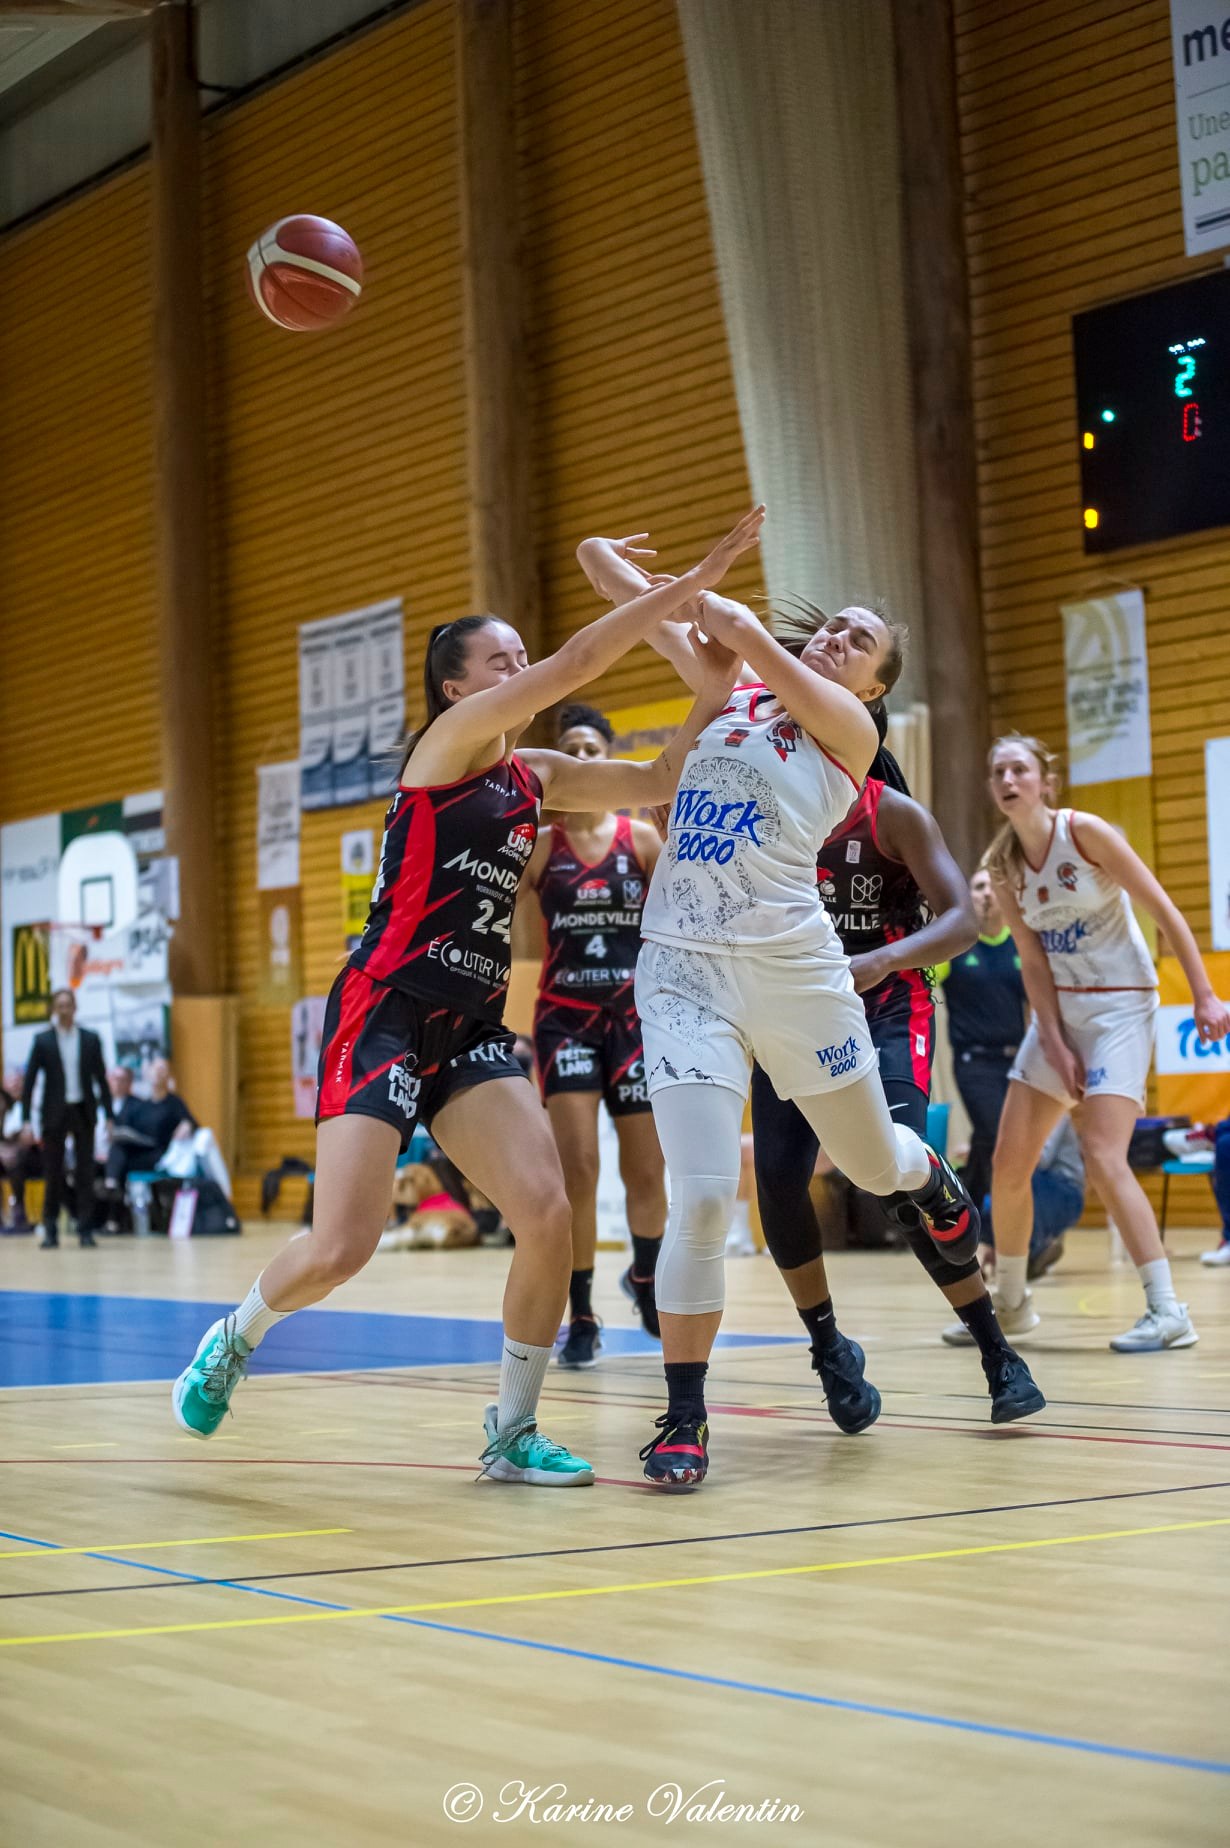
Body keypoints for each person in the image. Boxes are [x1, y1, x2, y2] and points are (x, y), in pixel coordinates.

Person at [170, 505, 765, 1487]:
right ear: (457, 686)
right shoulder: (446, 747)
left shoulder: (537, 776)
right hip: (387, 1005)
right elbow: (575, 666)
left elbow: (662, 773)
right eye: (501, 661)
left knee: (546, 1210)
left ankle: (511, 1431)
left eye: (517, 657)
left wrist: (708, 692)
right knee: (342, 1248)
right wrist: (691, 584)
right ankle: (235, 1336)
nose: (518, 670)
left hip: (472, 1026)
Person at [572, 562, 983, 1488]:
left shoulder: (849, 728)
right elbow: (612, 579)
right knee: (708, 1194)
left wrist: (713, 597)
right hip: (681, 971)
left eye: (857, 641)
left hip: (794, 971)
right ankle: (683, 1414)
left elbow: (745, 633)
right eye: (832, 625)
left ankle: (928, 1172)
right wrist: (641, 571)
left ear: (874, 688)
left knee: (880, 1169)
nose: (835, 638)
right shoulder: (736, 689)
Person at [750, 742, 1043, 1427]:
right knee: (776, 1176)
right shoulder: (772, 808)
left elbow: (962, 919)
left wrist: (884, 958)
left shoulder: (893, 816)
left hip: (885, 1006)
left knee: (893, 1174)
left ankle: (997, 1352)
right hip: (793, 1009)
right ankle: (829, 1350)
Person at [980, 733, 1230, 1349]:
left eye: (1019, 769)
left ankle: (1168, 1310)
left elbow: (1165, 910)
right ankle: (1011, 1302)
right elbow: (1033, 962)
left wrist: (1203, 995)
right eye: (997, 772)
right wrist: (1056, 1044)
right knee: (1009, 1162)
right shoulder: (1002, 865)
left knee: (1102, 1153)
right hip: (1059, 1014)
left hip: (1121, 1006)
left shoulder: (1084, 833)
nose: (1008, 779)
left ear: (1045, 781)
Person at [522, 702, 666, 1366]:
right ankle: (580, 1313)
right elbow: (513, 941)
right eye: (569, 748)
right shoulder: (540, 850)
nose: (580, 758)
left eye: (591, 748)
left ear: (609, 758)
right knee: (577, 1169)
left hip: (635, 1020)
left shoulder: (639, 840)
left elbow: (681, 921)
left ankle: (646, 1276)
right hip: (563, 1020)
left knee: (647, 1168)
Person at [935, 869, 1027, 1221]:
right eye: (978, 887)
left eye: (994, 886)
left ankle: (957, 1213)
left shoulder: (1019, 944)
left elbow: (1035, 1006)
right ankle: (994, 1225)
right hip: (974, 1063)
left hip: (1017, 1063)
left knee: (989, 1143)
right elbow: (922, 985)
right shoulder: (957, 946)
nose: (987, 893)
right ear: (968, 895)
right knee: (998, 1134)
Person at [943, 1119, 1085, 1331]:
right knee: (975, 1205)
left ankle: (1034, 1249)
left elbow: (1037, 1158)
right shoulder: (1008, 1104)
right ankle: (1024, 1253)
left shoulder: (1050, 1103)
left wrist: (982, 1152)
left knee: (1011, 1176)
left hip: (1062, 1191)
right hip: (1043, 1188)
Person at [20, 988, 112, 1249]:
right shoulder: (43, 1041)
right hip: (54, 1113)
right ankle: (50, 1229)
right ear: (54, 1009)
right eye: (59, 1005)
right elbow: (29, 1083)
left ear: (75, 1008)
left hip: (83, 1110)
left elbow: (101, 1079)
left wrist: (109, 1114)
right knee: (53, 1172)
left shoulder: (90, 1039)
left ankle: (85, 1228)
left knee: (85, 1172)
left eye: (68, 1005)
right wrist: (27, 1119)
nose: (64, 1010)